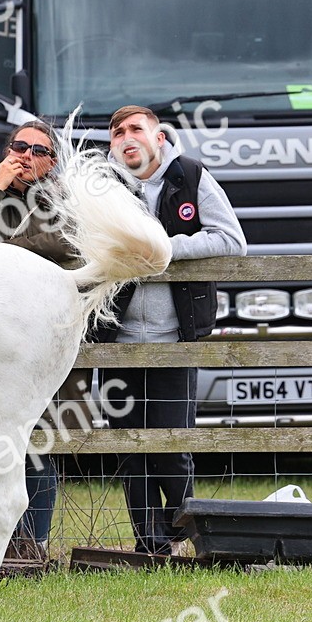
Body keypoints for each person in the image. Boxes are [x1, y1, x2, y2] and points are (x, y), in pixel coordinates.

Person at [98, 105, 246, 554]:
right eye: (118, 132)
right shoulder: (101, 188)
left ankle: (187, 540)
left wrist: (164, 248)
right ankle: (150, 546)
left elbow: (232, 240)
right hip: (116, 344)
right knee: (131, 450)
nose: (127, 137)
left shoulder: (193, 176)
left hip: (175, 341)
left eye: (136, 129)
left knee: (173, 447)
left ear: (158, 137)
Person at [0, 120, 79, 562]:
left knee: (33, 440)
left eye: (38, 150)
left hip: (42, 339)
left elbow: (66, 243)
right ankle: (12, 543)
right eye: (18, 146)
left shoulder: (65, 199)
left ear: (52, 161)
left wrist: (1, 249)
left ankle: (35, 544)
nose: (25, 155)